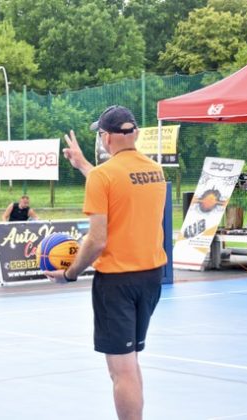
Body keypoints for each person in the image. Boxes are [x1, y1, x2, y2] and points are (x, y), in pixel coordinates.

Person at [45, 105, 167, 420]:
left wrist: (69, 274)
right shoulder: (155, 170)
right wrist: (84, 164)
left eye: (99, 135)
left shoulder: (103, 176)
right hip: (151, 277)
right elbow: (121, 187)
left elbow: (97, 240)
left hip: (117, 282)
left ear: (106, 136)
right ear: (135, 133)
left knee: (121, 370)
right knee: (132, 361)